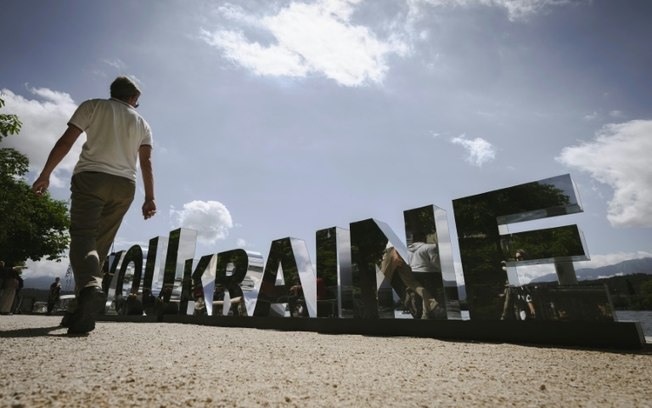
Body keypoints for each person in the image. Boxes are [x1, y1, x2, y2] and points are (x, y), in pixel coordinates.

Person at [32, 76, 157, 334]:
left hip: (91, 178)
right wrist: (150, 197)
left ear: (113, 92)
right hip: (125, 186)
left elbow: (66, 141)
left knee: (82, 238)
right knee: (97, 248)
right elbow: (145, 163)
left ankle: (90, 288)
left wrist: (46, 173)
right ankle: (79, 310)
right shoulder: (142, 123)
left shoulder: (92, 106)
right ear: (133, 99)